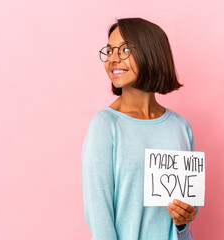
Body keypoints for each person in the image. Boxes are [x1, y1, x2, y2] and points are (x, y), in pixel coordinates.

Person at [82, 17, 198, 240]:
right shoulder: (105, 125)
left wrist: (184, 219)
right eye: (109, 51)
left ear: (150, 53)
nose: (112, 59)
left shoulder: (181, 127)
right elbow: (100, 216)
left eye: (124, 50)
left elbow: (187, 211)